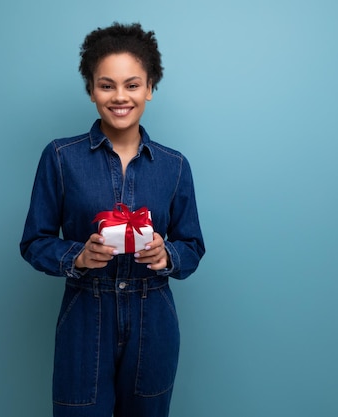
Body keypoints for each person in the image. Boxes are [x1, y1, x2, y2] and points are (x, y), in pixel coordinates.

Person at [20, 22, 205, 417]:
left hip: (152, 318)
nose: (120, 97)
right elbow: (34, 241)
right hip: (85, 315)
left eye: (132, 84)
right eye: (107, 85)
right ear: (91, 90)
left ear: (150, 88)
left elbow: (192, 246)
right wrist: (77, 257)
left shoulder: (174, 166)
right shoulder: (60, 157)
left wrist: (166, 254)